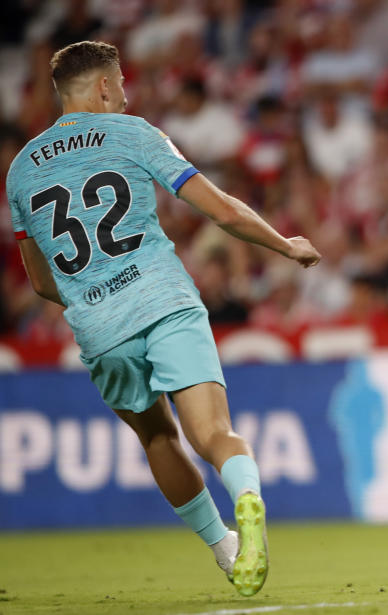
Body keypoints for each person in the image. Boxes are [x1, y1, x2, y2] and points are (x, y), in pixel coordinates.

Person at [4, 41, 322, 596]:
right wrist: (284, 246)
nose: (126, 92)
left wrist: (92, 293)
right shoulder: (134, 133)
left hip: (99, 328)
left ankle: (224, 550)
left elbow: (37, 280)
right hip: (164, 300)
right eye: (121, 82)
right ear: (104, 86)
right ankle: (246, 498)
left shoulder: (21, 169)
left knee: (157, 438)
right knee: (214, 433)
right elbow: (221, 209)